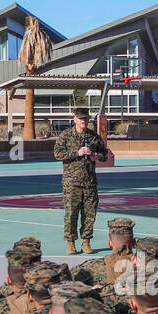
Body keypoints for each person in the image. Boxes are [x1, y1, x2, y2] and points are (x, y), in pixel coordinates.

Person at [53, 107, 107, 255]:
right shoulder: (66, 135)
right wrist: (77, 152)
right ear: (74, 119)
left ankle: (86, 242)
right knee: (71, 213)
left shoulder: (93, 137)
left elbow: (105, 154)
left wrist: (95, 155)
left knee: (89, 214)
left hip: (90, 182)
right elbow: (57, 153)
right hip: (72, 182)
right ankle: (70, 243)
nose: (83, 121)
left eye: (85, 118)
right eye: (80, 118)